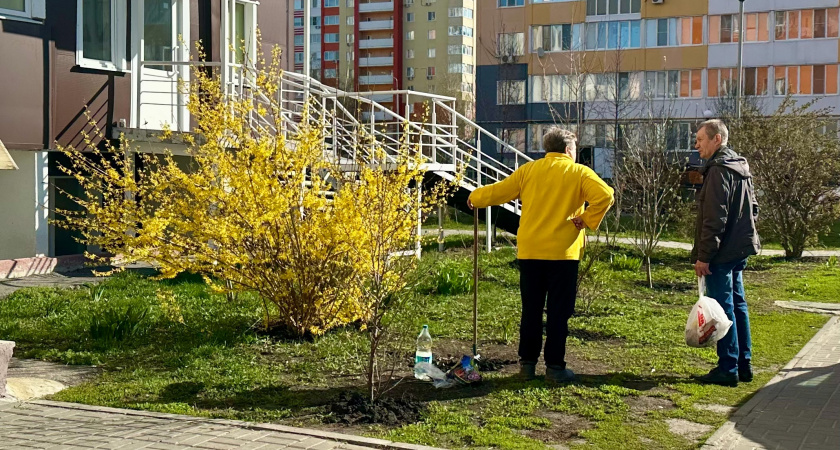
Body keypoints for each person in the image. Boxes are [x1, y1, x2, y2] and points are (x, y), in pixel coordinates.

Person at [467, 127, 614, 382]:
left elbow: (500, 191)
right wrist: (586, 219)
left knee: (531, 309)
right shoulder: (578, 172)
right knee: (559, 311)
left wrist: (476, 197)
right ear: (569, 150)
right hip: (563, 254)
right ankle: (555, 367)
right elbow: (606, 195)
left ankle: (527, 365)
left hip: (531, 250)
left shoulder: (529, 170)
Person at [690, 119, 761, 387]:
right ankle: (744, 364)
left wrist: (704, 256)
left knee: (724, 308)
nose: (696, 145)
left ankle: (728, 367)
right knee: (738, 305)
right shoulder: (740, 166)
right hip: (737, 250)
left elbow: (714, 219)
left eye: (700, 139)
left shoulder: (719, 170)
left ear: (716, 139)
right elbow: (754, 208)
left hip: (720, 254)